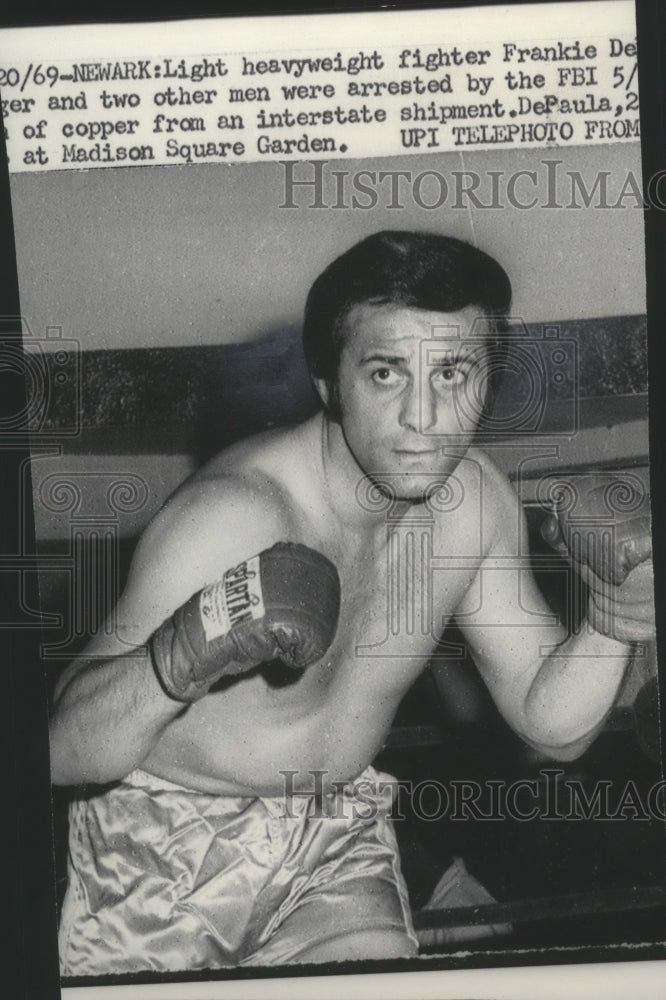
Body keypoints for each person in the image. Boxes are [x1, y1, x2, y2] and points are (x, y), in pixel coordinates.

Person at [49, 230, 655, 975]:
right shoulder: (233, 517)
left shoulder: (475, 505)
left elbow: (551, 722)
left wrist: (615, 612)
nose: (424, 417)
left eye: (455, 372)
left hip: (334, 835)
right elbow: (57, 749)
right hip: (166, 847)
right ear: (330, 382)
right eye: (386, 374)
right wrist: (180, 654)